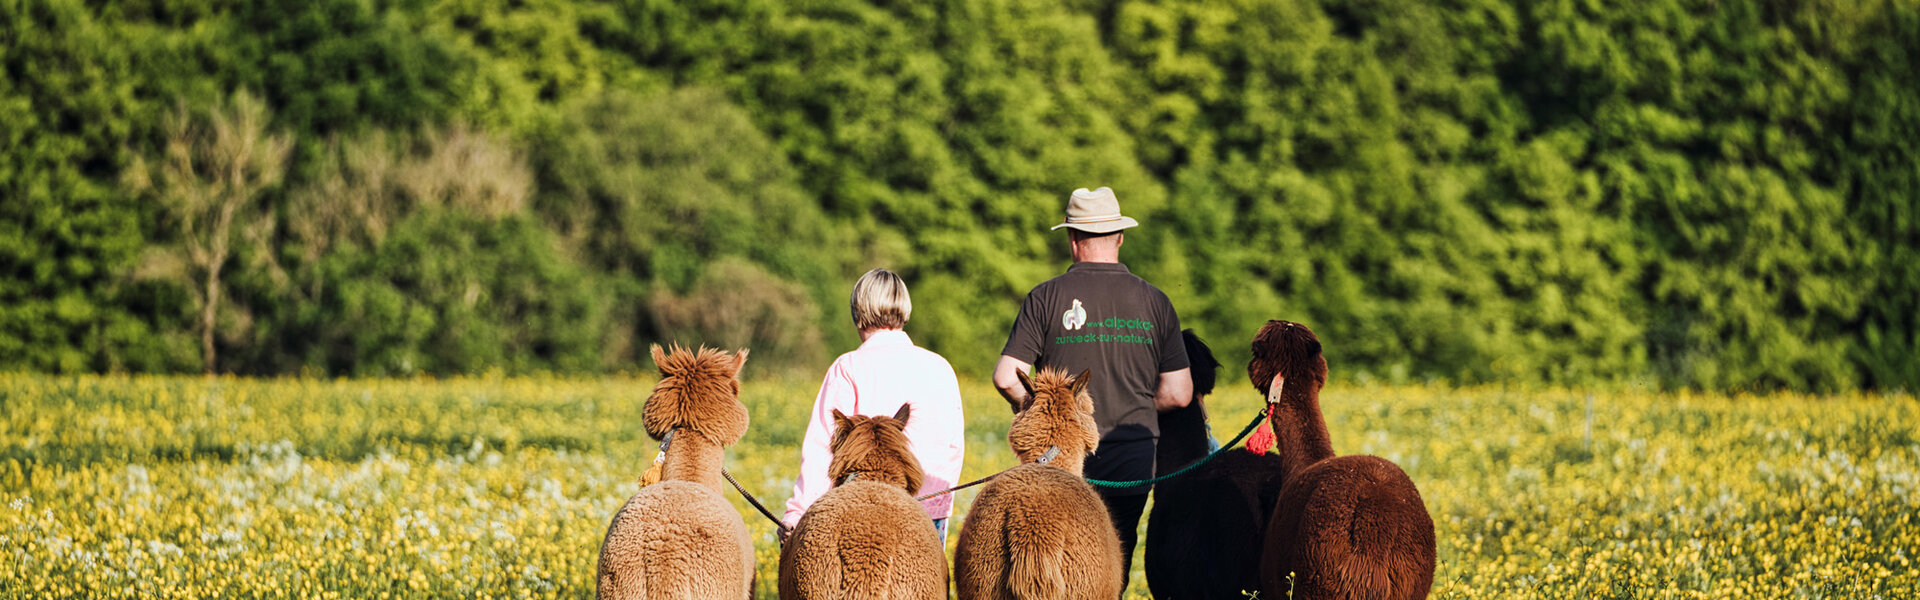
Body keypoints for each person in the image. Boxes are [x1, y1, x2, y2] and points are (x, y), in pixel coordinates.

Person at [992, 186, 1192, 592]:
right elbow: (1179, 392)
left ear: (1072, 239)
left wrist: (1046, 412)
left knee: (1048, 565)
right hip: (1130, 459)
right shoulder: (1155, 301)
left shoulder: (1045, 298)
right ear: (1119, 236)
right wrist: (1135, 401)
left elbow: (1005, 375)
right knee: (1107, 569)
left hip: (1057, 458)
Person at [783, 268, 966, 542]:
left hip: (862, 510)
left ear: (857, 315)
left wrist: (798, 514)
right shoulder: (940, 367)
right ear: (905, 310)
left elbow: (821, 449)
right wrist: (937, 501)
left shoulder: (847, 368)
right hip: (928, 511)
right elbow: (954, 447)